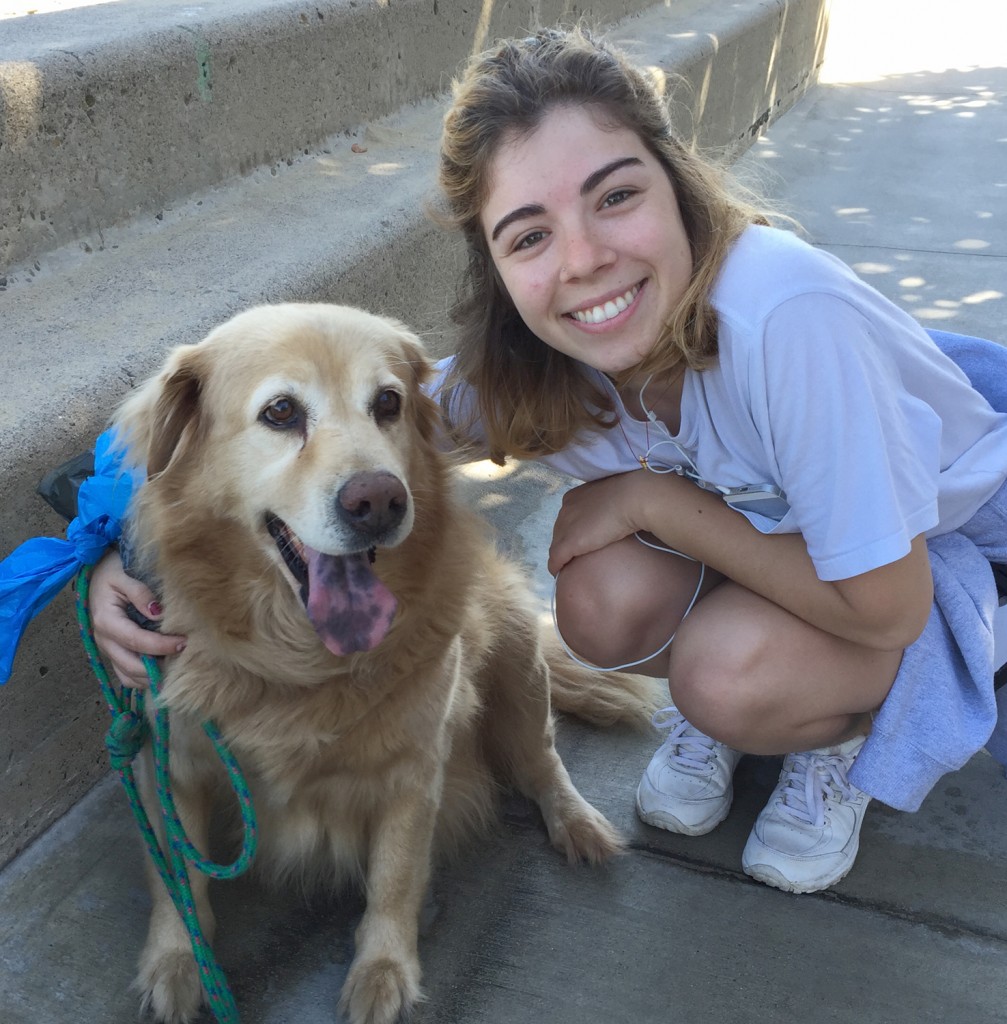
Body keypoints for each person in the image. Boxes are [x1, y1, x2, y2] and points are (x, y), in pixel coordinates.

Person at [86, 27, 1007, 895]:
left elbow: (886, 606)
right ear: (494, 266)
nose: (583, 261)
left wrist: (653, 502)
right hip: (784, 543)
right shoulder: (540, 364)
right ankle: (751, 691)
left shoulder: (786, 318)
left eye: (615, 196)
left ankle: (837, 736)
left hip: (928, 561)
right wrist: (112, 554)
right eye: (527, 234)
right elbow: (205, 432)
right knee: (597, 603)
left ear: (677, 183)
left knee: (726, 676)